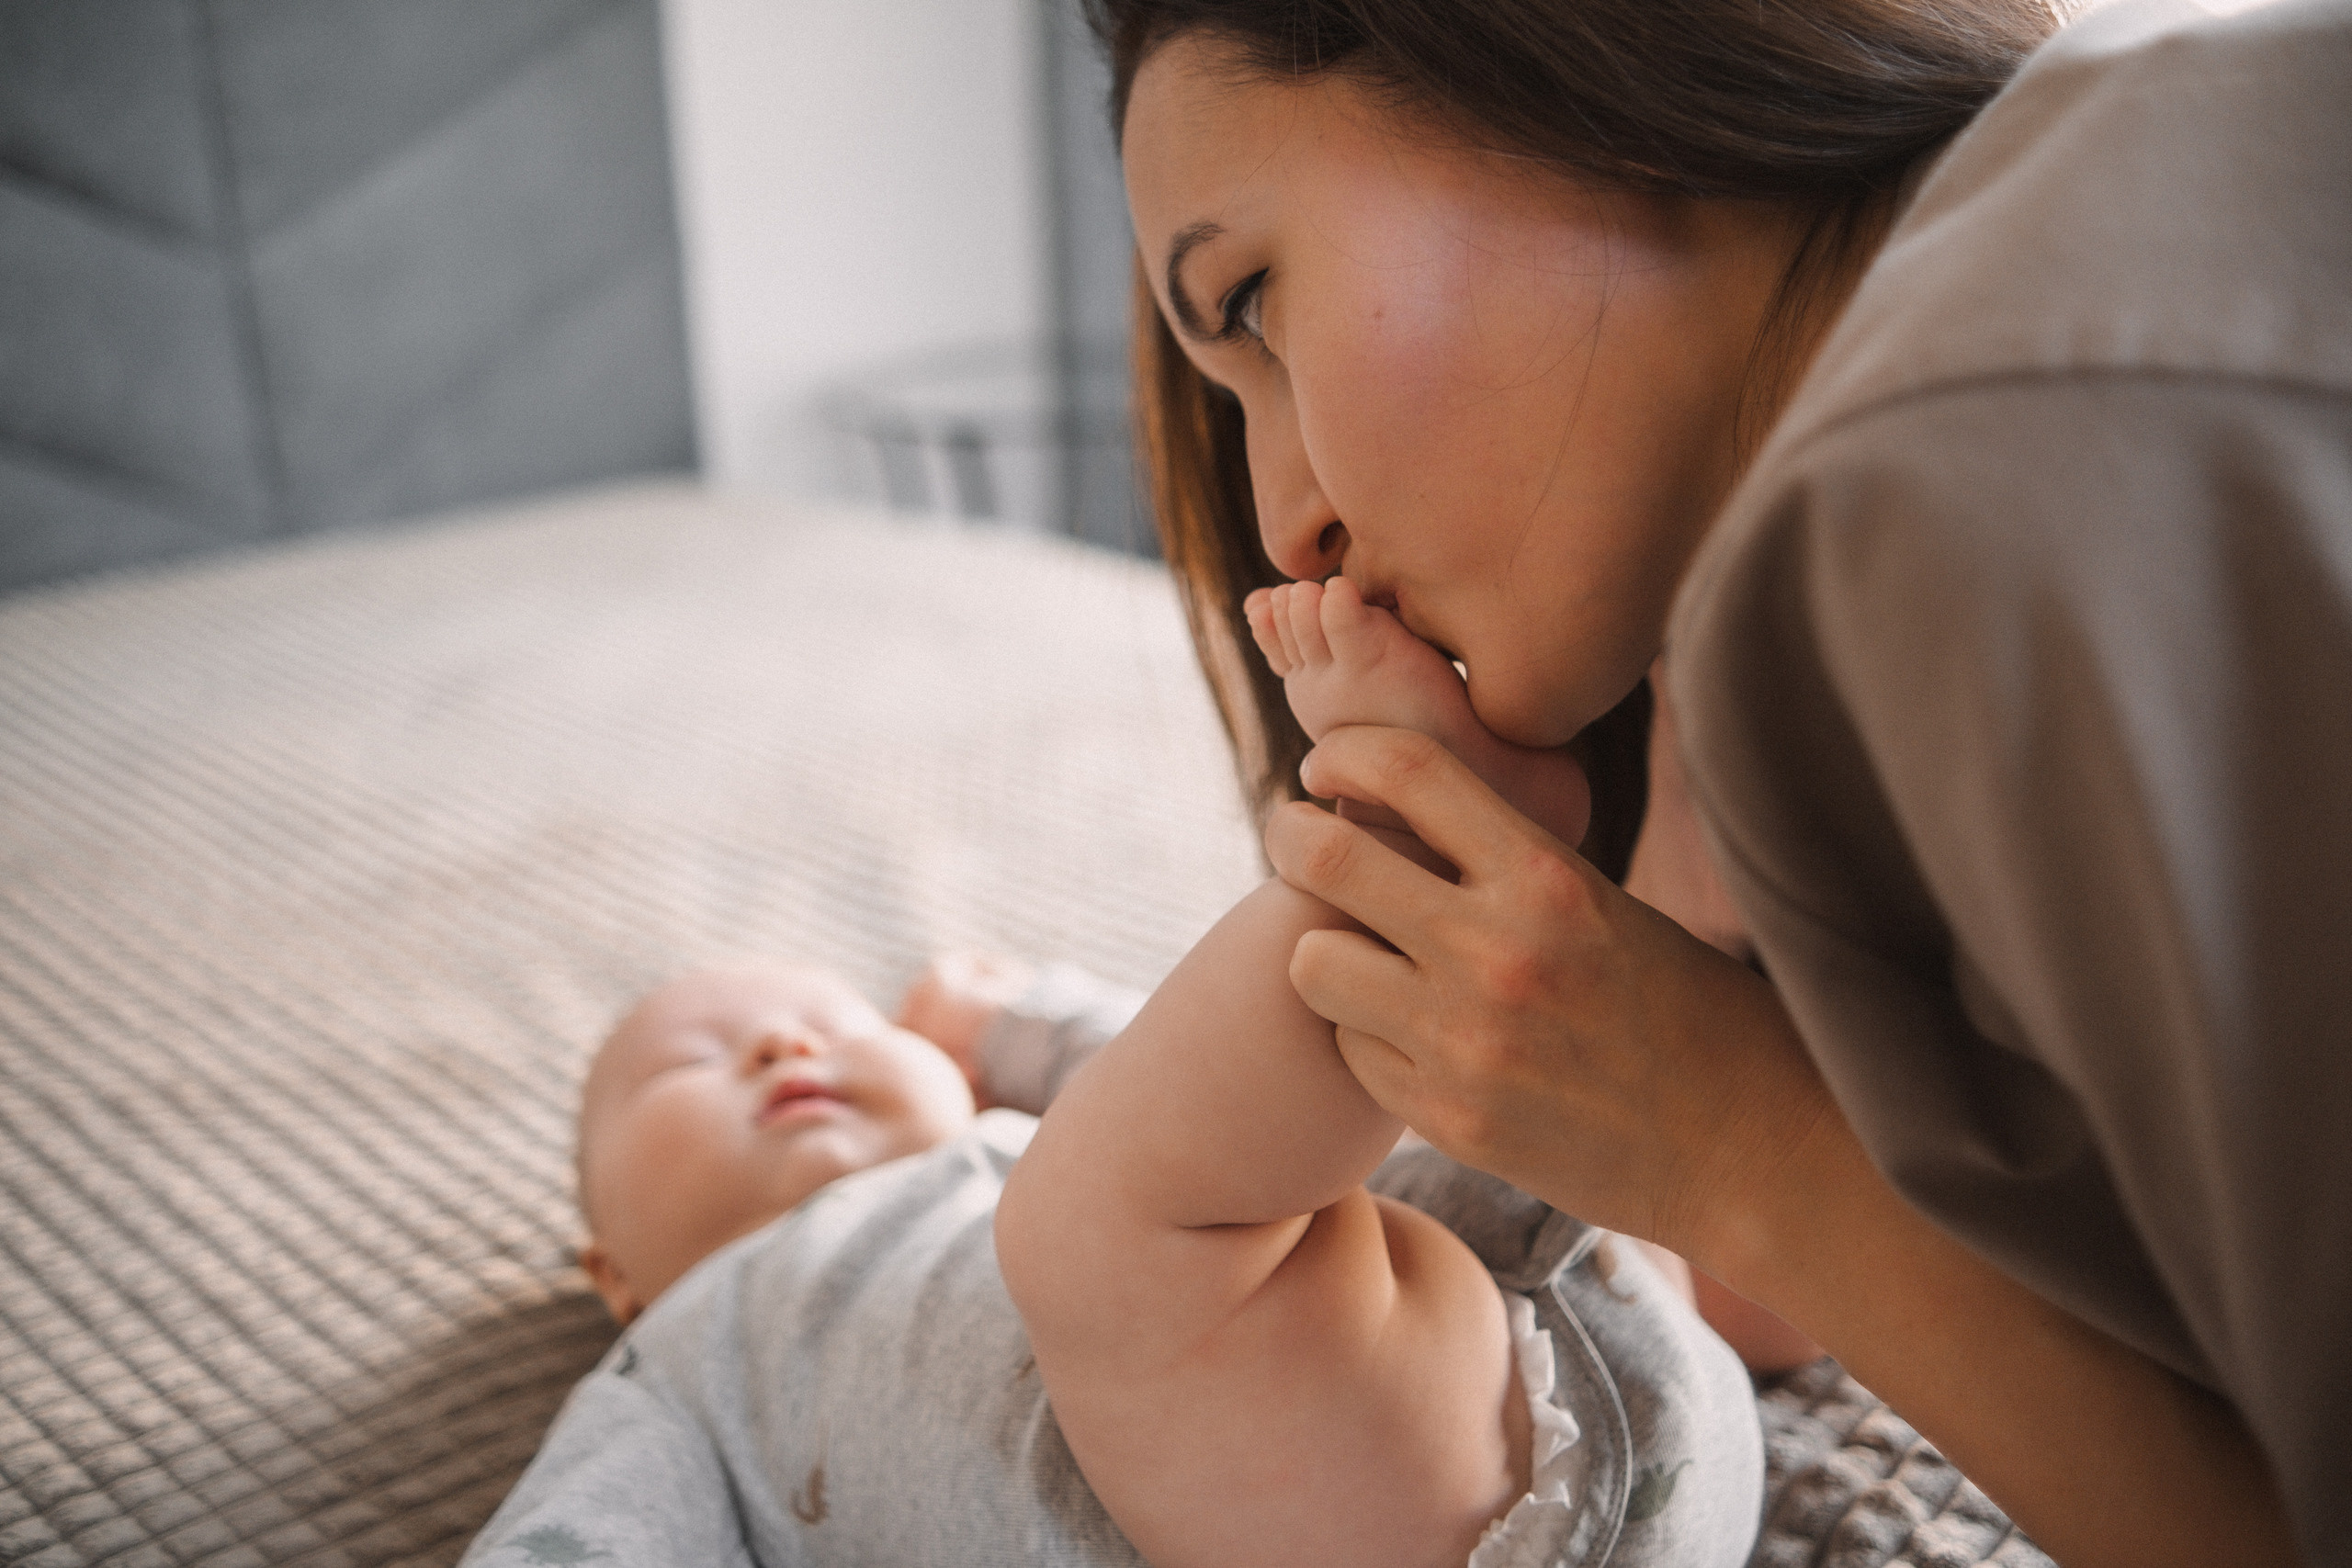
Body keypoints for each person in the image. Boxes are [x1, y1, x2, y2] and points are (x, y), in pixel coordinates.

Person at [1100, 0, 2349, 1562]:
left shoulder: (1975, 465)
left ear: (1562, 58)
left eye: (1258, 307)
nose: (1285, 520)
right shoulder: (2093, 229)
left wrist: (1739, 1140)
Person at [460, 593, 1763, 1568]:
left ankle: (1698, 967)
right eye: (683, 1068)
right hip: (1387, 1494)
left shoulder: (1029, 1146)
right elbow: (581, 1540)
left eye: (836, 1020)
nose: (787, 1045)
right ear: (615, 1278)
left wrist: (1011, 1024)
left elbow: (1190, 1083)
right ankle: (1425, 840)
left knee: (1404, 1110)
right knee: (1101, 1223)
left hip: (1547, 1337)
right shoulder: (678, 1361)